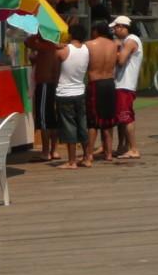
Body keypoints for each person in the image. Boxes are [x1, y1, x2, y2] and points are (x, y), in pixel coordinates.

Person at [55, 23, 91, 169]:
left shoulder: (64, 51)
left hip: (65, 93)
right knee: (82, 125)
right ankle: (87, 158)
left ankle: (72, 161)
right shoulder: (86, 50)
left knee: (69, 126)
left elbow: (54, 58)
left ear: (70, 35)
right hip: (80, 92)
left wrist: (56, 45)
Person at [85, 22, 119, 162]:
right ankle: (109, 153)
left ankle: (89, 153)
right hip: (110, 83)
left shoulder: (89, 45)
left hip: (95, 83)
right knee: (108, 121)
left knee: (93, 121)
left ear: (96, 31)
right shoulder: (114, 45)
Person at [26, 33, 61, 162]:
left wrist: (35, 33)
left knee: (44, 119)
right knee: (52, 118)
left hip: (45, 85)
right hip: (53, 85)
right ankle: (54, 150)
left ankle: (46, 151)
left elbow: (27, 42)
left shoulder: (45, 45)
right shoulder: (52, 47)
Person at [112, 16, 143, 160]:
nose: (114, 30)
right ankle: (122, 146)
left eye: (116, 27)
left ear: (124, 27)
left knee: (126, 117)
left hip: (125, 84)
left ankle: (133, 148)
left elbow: (121, 60)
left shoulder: (131, 40)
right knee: (121, 117)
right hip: (122, 84)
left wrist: (116, 49)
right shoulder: (127, 40)